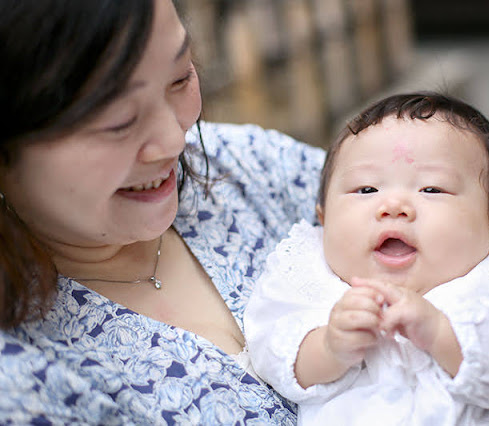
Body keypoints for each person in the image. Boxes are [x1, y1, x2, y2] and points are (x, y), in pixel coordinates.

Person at [0, 0, 326, 423]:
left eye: (180, 77)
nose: (174, 141)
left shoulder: (248, 166)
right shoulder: (25, 383)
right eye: (119, 121)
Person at [244, 92, 489, 425]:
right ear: (324, 220)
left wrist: (441, 333)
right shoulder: (306, 273)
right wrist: (328, 348)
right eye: (366, 189)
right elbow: (269, 348)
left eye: (432, 189)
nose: (394, 206)